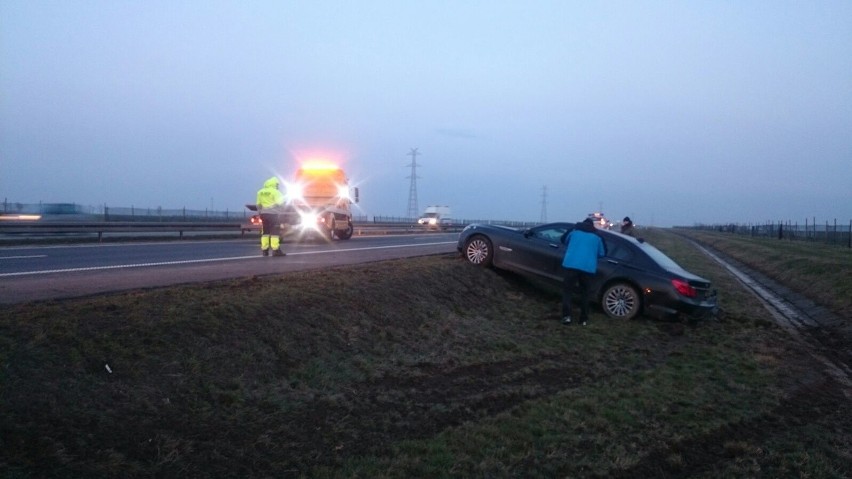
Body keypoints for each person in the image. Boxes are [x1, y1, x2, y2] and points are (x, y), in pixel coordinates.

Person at [561, 218, 606, 326]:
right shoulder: (598, 237)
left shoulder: (574, 232)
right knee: (585, 294)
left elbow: (563, 240)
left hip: (571, 265)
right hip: (588, 268)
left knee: (568, 292)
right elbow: (602, 253)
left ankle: (567, 317)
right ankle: (583, 320)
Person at [256, 176, 286, 257]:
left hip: (264, 215)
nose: (278, 186)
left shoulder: (260, 192)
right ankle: (275, 250)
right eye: (277, 185)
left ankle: (265, 250)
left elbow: (258, 205)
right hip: (273, 215)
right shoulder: (276, 192)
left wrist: (260, 213)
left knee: (265, 232)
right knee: (275, 233)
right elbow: (281, 203)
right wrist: (283, 210)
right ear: (275, 184)